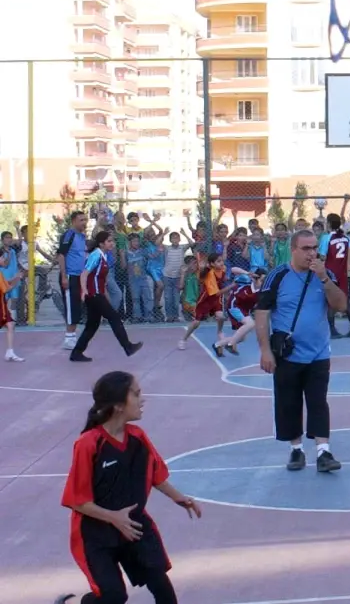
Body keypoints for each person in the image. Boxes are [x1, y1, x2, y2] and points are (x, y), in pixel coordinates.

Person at [55, 371, 201, 604]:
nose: (142, 400)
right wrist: (113, 517)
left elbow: (155, 474)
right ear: (118, 404)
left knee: (163, 590)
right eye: (137, 393)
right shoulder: (88, 443)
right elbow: (77, 500)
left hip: (133, 526)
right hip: (96, 534)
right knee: (114, 596)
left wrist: (180, 498)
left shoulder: (137, 437)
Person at [255, 230, 348, 473]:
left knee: (318, 401)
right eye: (306, 248)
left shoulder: (324, 275)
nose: (312, 253)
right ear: (293, 249)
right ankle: (296, 450)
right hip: (288, 352)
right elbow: (262, 312)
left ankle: (323, 452)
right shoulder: (278, 276)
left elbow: (341, 305)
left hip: (319, 352)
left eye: (314, 247)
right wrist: (265, 350)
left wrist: (325, 279)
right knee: (288, 402)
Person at [71, 232, 143, 363]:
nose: (112, 243)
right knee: (114, 317)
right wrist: (84, 291)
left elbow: (100, 280)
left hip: (97, 294)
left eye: (112, 241)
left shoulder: (103, 256)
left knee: (92, 325)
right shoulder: (96, 255)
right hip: (93, 294)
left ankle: (76, 353)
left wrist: (105, 296)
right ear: (101, 243)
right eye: (109, 241)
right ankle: (127, 346)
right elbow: (84, 274)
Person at [178, 253, 228, 352]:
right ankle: (183, 339)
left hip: (216, 299)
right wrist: (233, 285)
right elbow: (216, 292)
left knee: (221, 316)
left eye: (222, 260)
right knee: (196, 323)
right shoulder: (209, 274)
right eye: (219, 261)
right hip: (206, 299)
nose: (222, 263)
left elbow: (227, 273)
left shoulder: (223, 269)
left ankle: (219, 332)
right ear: (212, 264)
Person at [320, 213, 350, 336]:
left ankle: (333, 330)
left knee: (330, 301)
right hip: (343, 274)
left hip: (331, 274)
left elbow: (322, 256)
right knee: (344, 301)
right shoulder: (345, 238)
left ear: (330, 224)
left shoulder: (326, 238)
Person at [59, 210, 90, 351]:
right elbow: (61, 255)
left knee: (77, 306)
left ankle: (72, 337)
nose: (84, 222)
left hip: (80, 277)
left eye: (85, 220)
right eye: (81, 220)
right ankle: (69, 337)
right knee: (71, 307)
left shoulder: (82, 236)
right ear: (73, 221)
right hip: (70, 276)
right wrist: (64, 276)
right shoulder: (69, 235)